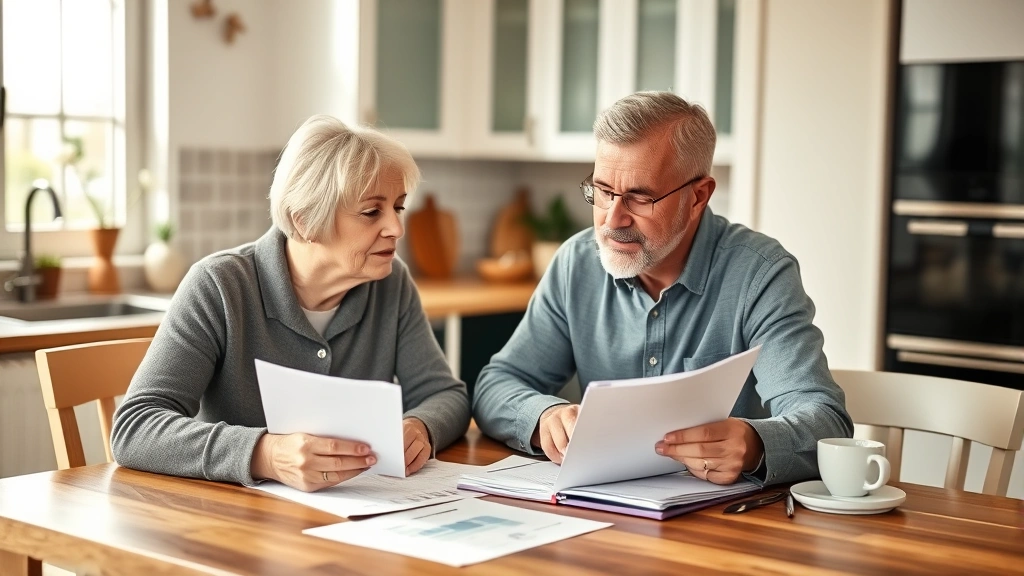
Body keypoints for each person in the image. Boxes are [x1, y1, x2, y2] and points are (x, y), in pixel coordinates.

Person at [473, 92, 852, 486]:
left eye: (640, 197)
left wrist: (754, 444)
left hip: (727, 524)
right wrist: (544, 415)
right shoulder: (576, 263)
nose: (613, 219)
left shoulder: (760, 274)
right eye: (603, 191)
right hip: (599, 515)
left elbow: (825, 421)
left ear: (698, 196)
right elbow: (496, 386)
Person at [112, 115, 470, 492]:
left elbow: (445, 395)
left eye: (397, 208)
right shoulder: (218, 286)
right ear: (304, 223)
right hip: (233, 524)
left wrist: (420, 427)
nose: (396, 228)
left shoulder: (391, 282)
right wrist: (266, 454)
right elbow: (136, 427)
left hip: (361, 521)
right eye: (371, 212)